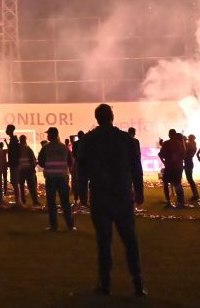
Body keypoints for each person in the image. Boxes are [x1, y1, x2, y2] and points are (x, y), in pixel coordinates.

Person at [76, 104, 146, 298]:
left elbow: (81, 171)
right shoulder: (126, 140)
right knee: (130, 240)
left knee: (103, 241)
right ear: (112, 117)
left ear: (97, 118)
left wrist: (81, 194)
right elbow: (136, 169)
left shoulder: (88, 140)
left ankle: (105, 283)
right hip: (123, 195)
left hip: (100, 195)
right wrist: (139, 192)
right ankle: (138, 282)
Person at [38, 126, 75, 231]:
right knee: (65, 202)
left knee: (51, 202)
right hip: (63, 177)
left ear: (52, 135)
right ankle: (70, 225)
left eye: (48, 134)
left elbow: (41, 162)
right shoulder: (64, 147)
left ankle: (54, 226)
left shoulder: (46, 147)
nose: (47, 136)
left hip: (51, 178)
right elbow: (70, 162)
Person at [159, 128, 185, 208]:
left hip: (170, 167)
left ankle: (168, 201)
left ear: (170, 134)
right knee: (177, 184)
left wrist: (164, 162)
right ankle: (181, 202)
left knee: (166, 183)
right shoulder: (180, 143)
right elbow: (183, 155)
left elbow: (160, 154)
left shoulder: (167, 143)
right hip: (178, 166)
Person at [17, 135, 40, 206]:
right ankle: (35, 201)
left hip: (20, 170)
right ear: (25, 140)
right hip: (29, 170)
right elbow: (32, 159)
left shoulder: (17, 149)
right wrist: (33, 168)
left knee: (21, 186)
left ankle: (22, 200)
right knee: (32, 186)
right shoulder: (28, 149)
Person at [182, 134, 200, 203]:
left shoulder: (191, 145)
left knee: (190, 179)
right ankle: (195, 194)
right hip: (189, 162)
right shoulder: (193, 144)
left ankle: (195, 194)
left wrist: (184, 140)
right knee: (190, 179)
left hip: (188, 162)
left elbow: (186, 148)